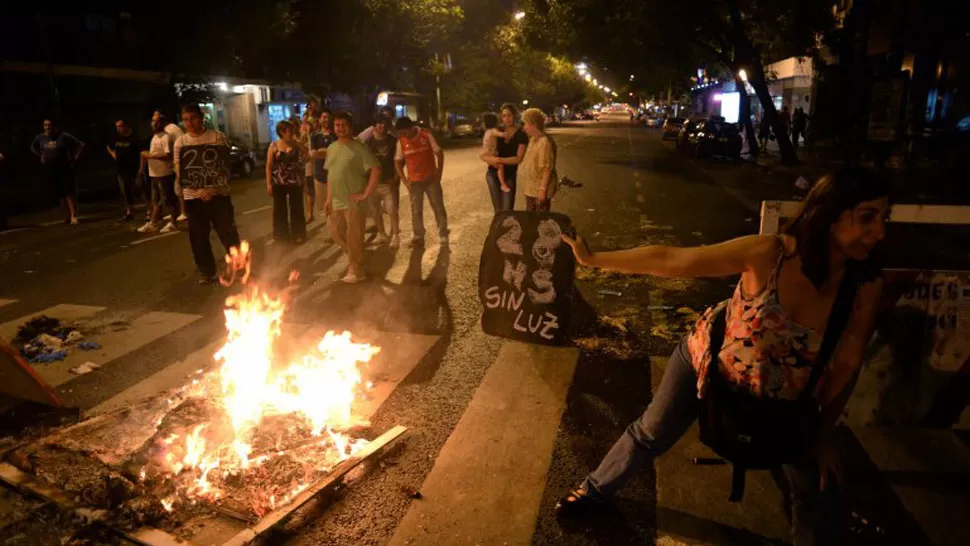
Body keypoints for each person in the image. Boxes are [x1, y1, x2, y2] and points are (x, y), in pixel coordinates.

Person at [557, 168, 891, 546]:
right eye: (867, 217)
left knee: (818, 479)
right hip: (706, 360)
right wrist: (593, 259)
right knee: (651, 432)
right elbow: (674, 259)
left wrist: (824, 432)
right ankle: (594, 489)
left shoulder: (863, 284)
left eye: (884, 218)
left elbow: (848, 360)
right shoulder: (771, 253)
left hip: (785, 396)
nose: (879, 232)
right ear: (829, 212)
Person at [173, 103, 241, 284]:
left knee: (228, 232)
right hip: (193, 197)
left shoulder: (217, 137)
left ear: (201, 118)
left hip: (219, 195)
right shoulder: (181, 142)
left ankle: (239, 267)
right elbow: (180, 169)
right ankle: (207, 271)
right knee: (198, 237)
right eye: (185, 119)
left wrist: (212, 188)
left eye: (193, 118)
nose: (190, 123)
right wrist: (198, 189)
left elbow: (224, 166)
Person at [324, 112, 381, 284]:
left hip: (353, 201)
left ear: (350, 127)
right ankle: (356, 256)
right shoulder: (332, 148)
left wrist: (365, 194)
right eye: (337, 125)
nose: (340, 129)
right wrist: (328, 199)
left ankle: (356, 269)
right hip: (335, 200)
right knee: (335, 232)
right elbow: (331, 175)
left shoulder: (359, 147)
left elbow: (376, 169)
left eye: (343, 125)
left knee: (354, 236)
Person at [394, 116, 448, 248]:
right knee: (415, 210)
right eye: (400, 133)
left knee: (438, 206)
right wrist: (405, 181)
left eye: (404, 132)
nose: (402, 135)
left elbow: (439, 152)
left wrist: (439, 173)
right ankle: (418, 236)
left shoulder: (425, 135)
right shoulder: (401, 141)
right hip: (414, 181)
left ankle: (443, 234)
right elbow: (397, 161)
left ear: (411, 128)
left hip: (431, 179)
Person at [31, 119, 84, 225]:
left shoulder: (63, 136)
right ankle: (67, 215)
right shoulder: (40, 137)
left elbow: (80, 145)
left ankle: (74, 215)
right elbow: (33, 147)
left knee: (69, 191)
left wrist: (75, 157)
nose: (47, 127)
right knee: (60, 193)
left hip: (64, 166)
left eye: (49, 125)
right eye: (45, 125)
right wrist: (41, 155)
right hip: (50, 167)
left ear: (54, 126)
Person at [266, 120, 307, 243]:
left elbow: (308, 156)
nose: (291, 133)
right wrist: (268, 184)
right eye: (289, 131)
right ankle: (281, 235)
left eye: (292, 131)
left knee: (297, 208)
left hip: (295, 181)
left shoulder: (296, 144)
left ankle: (298, 234)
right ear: (281, 132)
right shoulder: (274, 146)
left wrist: (300, 147)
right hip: (279, 182)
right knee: (279, 209)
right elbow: (269, 166)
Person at [139, 114, 180, 234]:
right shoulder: (155, 137)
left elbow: (168, 155)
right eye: (152, 121)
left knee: (168, 199)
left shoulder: (165, 137)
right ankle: (154, 223)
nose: (154, 124)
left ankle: (173, 223)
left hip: (164, 174)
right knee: (156, 200)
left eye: (157, 121)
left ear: (163, 123)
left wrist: (150, 155)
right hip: (154, 174)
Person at [482, 103, 528, 212]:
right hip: (492, 174)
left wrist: (498, 160)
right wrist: (487, 158)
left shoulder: (521, 135)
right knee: (498, 211)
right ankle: (498, 229)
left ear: (514, 115)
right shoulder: (497, 131)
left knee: (507, 211)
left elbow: (518, 159)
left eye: (509, 115)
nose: (507, 119)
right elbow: (486, 150)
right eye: (504, 116)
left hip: (509, 176)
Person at [363, 119, 400, 248]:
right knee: (375, 211)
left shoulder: (393, 141)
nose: (381, 126)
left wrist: (396, 176)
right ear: (374, 127)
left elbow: (399, 159)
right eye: (378, 124)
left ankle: (395, 235)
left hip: (387, 182)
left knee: (392, 209)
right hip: (372, 183)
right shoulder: (368, 142)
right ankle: (382, 234)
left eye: (384, 124)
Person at [518, 108, 558, 212]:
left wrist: (542, 190)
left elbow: (547, 168)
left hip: (538, 191)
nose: (524, 127)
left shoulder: (544, 142)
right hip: (531, 190)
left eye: (526, 124)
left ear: (533, 124)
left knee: (538, 223)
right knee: (531, 222)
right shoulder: (533, 140)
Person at [106, 119, 145, 222]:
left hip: (134, 167)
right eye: (117, 127)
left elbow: (142, 154)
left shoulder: (135, 138)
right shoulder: (115, 137)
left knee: (139, 189)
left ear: (126, 126)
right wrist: (113, 154)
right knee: (125, 191)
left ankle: (150, 210)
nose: (118, 129)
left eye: (120, 126)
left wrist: (141, 168)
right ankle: (129, 212)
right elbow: (109, 147)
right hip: (121, 169)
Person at [154, 110, 188, 222]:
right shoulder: (168, 129)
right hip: (174, 164)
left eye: (157, 120)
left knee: (179, 189)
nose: (154, 123)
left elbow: (180, 145)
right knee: (175, 189)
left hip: (180, 162)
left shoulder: (171, 129)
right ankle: (177, 212)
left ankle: (184, 212)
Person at [309, 108, 338, 222]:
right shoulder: (314, 135)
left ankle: (338, 233)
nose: (326, 120)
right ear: (320, 119)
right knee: (324, 206)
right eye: (324, 117)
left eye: (328, 117)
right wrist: (325, 152)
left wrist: (321, 152)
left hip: (335, 174)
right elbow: (313, 154)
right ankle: (331, 232)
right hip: (319, 174)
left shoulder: (335, 134)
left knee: (336, 205)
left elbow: (337, 153)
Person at [479, 112, 510, 212]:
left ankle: (502, 184)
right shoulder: (493, 131)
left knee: (498, 165)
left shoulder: (487, 131)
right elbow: (500, 134)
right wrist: (506, 135)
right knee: (500, 165)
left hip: (486, 153)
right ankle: (503, 184)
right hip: (490, 153)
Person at [299, 118, 317, 223]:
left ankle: (311, 214)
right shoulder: (303, 138)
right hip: (307, 169)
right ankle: (310, 214)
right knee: (309, 192)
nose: (305, 126)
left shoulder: (314, 137)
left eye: (307, 124)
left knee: (312, 192)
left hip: (314, 168)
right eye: (304, 124)